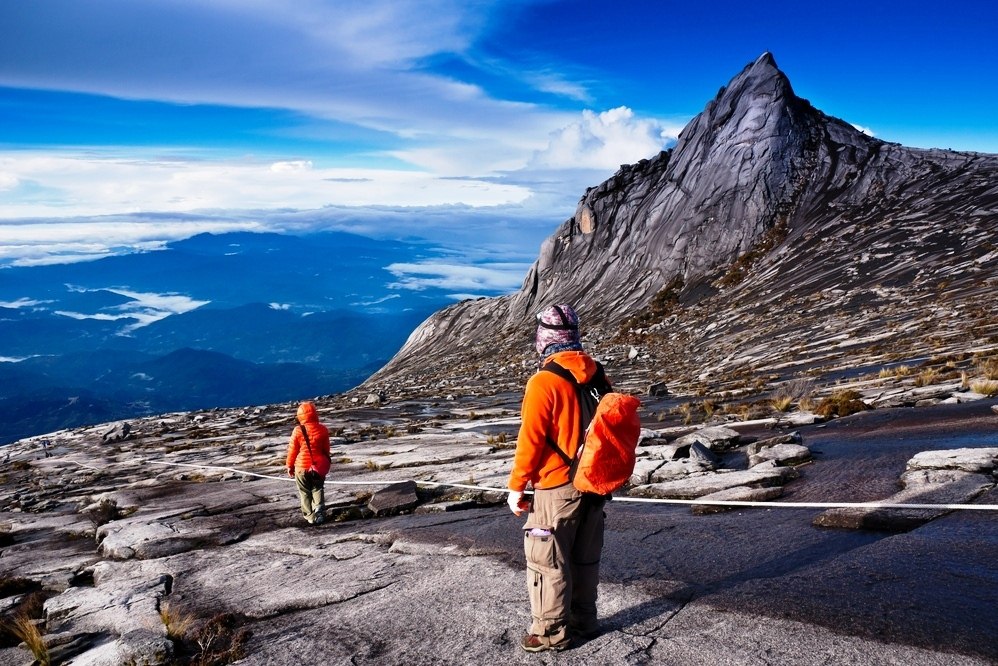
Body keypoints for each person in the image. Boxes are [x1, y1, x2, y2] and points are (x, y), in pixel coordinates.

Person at [507, 304, 612, 653]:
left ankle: (549, 632)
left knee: (547, 560)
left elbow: (531, 440)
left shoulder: (543, 382)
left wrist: (516, 486)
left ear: (543, 338)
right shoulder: (598, 376)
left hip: (556, 487)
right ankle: (585, 620)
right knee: (585, 557)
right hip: (594, 484)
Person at [286, 401, 331, 525]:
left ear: (300, 416)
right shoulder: (323, 429)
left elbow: (292, 450)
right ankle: (319, 511)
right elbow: (326, 450)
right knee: (317, 488)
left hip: (301, 467)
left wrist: (289, 466)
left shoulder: (297, 430)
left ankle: (310, 517)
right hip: (317, 466)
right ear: (315, 414)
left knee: (304, 492)